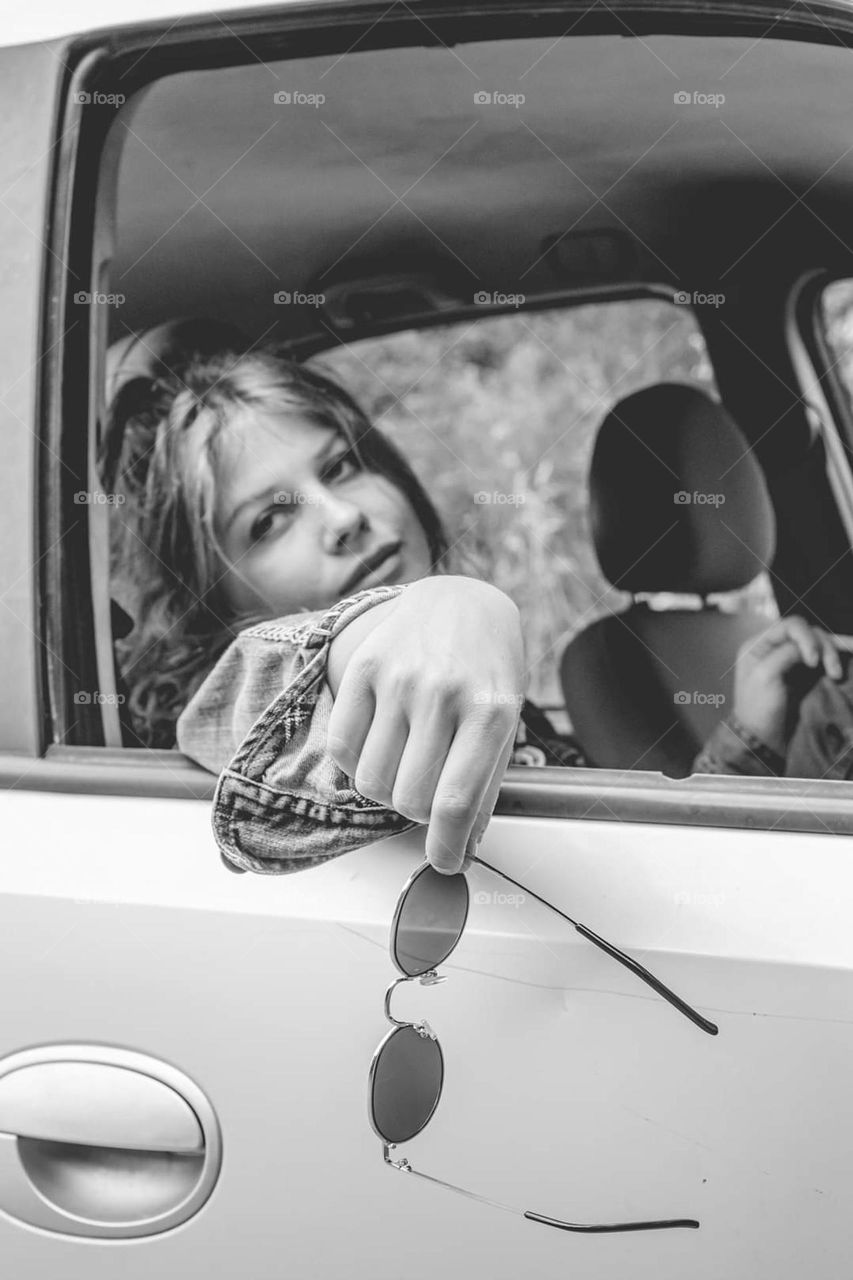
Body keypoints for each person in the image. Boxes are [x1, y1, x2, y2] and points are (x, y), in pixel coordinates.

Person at [104, 346, 589, 879]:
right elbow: (257, 687)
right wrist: (447, 608)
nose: (342, 517)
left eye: (339, 467)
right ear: (208, 603)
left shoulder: (511, 696)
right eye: (267, 521)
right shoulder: (231, 704)